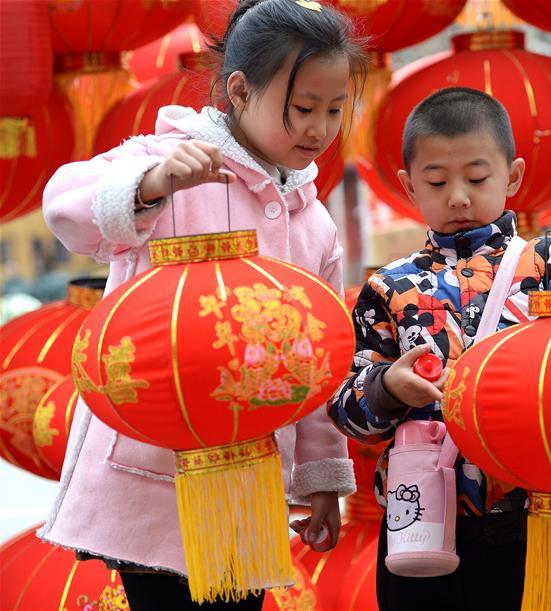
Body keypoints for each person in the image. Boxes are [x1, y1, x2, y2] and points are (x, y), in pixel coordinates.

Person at [39, 1, 366, 609]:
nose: (320, 129)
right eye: (302, 109)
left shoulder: (314, 221)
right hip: (152, 464)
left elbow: (323, 358)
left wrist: (323, 480)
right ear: (239, 91)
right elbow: (64, 206)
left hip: (253, 472)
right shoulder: (169, 160)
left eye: (333, 109)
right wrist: (151, 183)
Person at [327, 87, 551, 611]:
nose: (458, 196)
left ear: (514, 176)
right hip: (422, 524)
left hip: (539, 515)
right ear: (411, 187)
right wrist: (386, 389)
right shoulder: (388, 287)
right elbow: (345, 411)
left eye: (476, 179)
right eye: (437, 182)